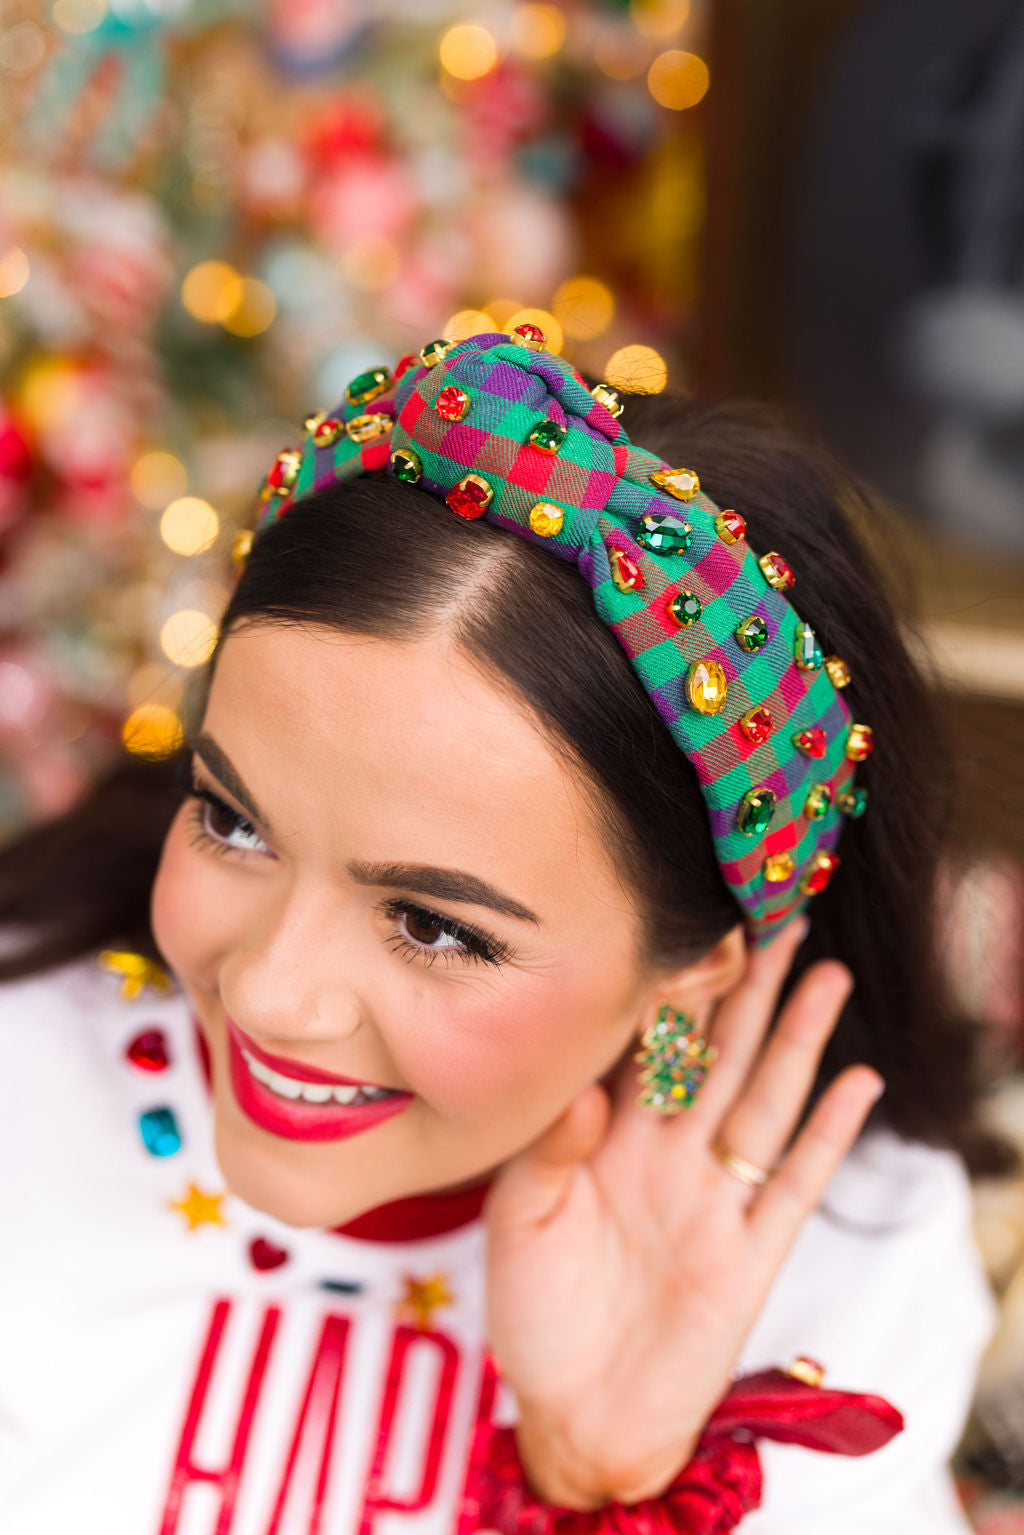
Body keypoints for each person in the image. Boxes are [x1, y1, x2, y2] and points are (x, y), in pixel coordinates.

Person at [0, 329, 1008, 1535]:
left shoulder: (842, 1270)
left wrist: (602, 1486)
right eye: (234, 820)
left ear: (689, 978)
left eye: (431, 924)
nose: (271, 990)